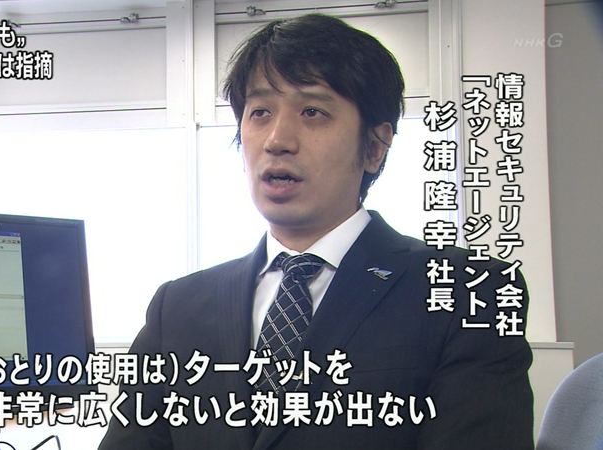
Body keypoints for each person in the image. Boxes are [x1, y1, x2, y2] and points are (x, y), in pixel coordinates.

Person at [99, 13, 533, 450]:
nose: (277, 140)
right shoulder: (177, 307)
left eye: (312, 111)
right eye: (260, 112)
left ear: (374, 147)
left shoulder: (469, 292)